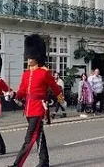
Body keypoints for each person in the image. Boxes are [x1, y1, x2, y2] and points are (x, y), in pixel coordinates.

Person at [8, 34, 64, 167]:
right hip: (28, 109)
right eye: (28, 56)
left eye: (31, 57)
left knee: (29, 139)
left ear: (37, 57)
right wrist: (14, 94)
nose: (28, 59)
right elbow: (22, 91)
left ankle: (17, 164)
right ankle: (44, 162)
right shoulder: (26, 73)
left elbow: (56, 89)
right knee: (38, 136)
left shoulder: (44, 73)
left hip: (38, 109)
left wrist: (61, 101)